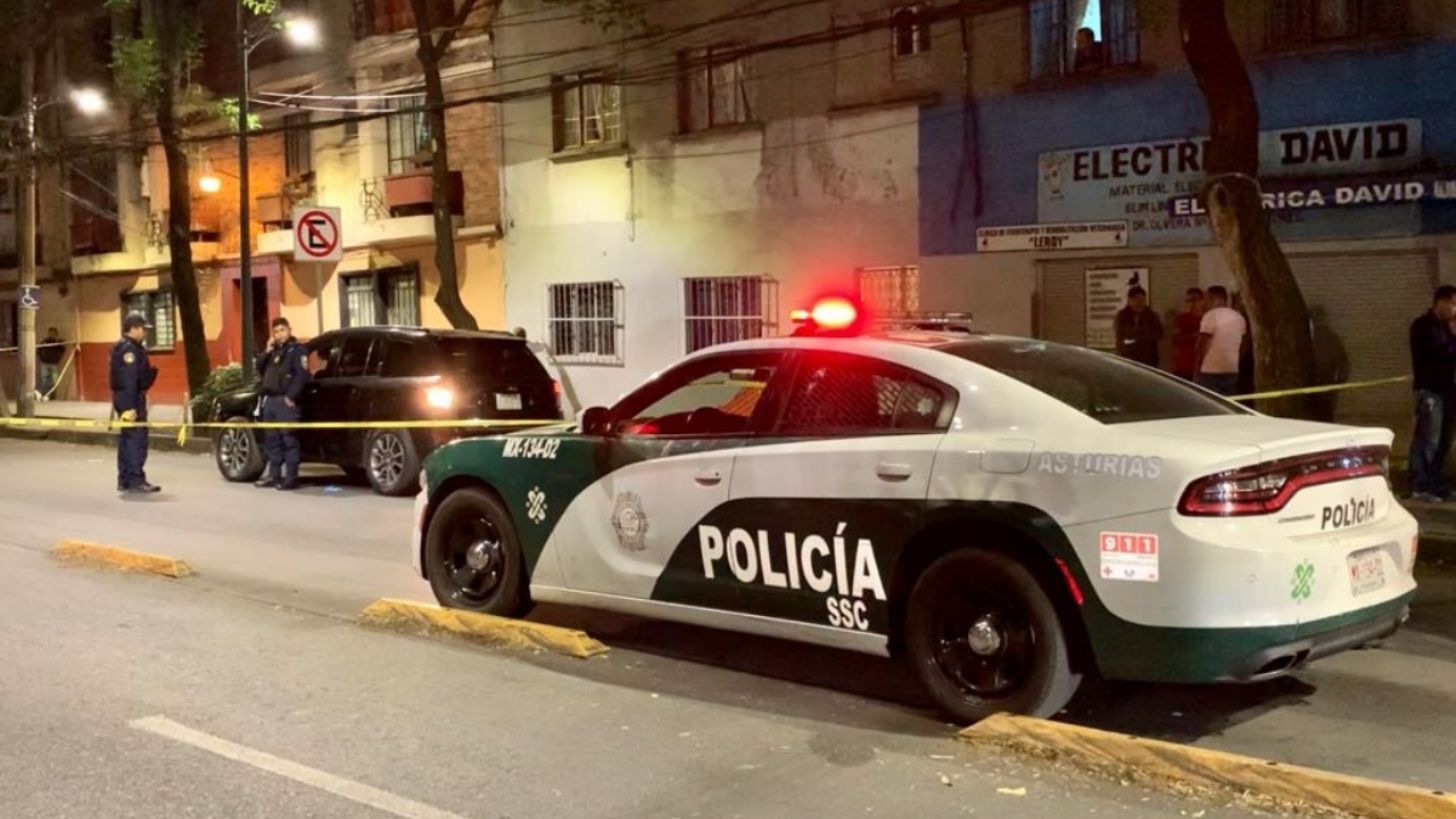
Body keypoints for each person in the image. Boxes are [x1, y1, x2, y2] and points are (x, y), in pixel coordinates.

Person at [1408, 285, 1456, 503]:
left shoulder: (1445, 328)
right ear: (1440, 302)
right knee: (1428, 439)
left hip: (1447, 391)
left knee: (1444, 440)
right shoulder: (1423, 326)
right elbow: (1440, 353)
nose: (1455, 309)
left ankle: (1436, 484)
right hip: (1430, 391)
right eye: (1453, 304)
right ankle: (1420, 485)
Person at [254, 317, 311, 491]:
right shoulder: (274, 352)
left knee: (289, 440)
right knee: (272, 441)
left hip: (285, 402)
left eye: (282, 330)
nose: (279, 334)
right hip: (271, 401)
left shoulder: (297, 351)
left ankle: (291, 478)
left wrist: (291, 396)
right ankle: (274, 476)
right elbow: (260, 368)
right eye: (276, 332)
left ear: (289, 330)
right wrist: (267, 351)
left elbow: (301, 375)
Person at [110, 314, 160, 493]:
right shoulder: (129, 350)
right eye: (143, 329)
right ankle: (136, 480)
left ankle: (125, 479)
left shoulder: (124, 347)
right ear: (133, 329)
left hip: (125, 398)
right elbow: (129, 379)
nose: (145, 333)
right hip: (130, 399)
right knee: (136, 440)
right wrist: (131, 407)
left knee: (127, 439)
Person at [1195, 285, 1247, 396]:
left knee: (1208, 399)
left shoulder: (1210, 316)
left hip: (1210, 369)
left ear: (1216, 299)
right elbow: (1244, 342)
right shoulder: (1238, 317)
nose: (1204, 303)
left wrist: (1198, 365)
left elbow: (1202, 343)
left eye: (1207, 299)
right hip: (1232, 369)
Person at [1113, 286, 1163, 367]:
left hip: (1148, 360)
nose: (1140, 302)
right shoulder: (1122, 316)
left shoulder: (1151, 315)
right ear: (1129, 300)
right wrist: (1141, 334)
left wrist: (1138, 334)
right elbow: (1122, 335)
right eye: (1136, 299)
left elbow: (1159, 333)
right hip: (1128, 359)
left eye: (1143, 299)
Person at [1171, 287, 1205, 381]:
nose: (1192, 304)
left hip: (1201, 366)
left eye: (1194, 300)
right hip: (1183, 365)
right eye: (1188, 301)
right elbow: (1175, 340)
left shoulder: (1208, 318)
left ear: (1202, 301)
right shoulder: (1181, 319)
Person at [37, 326, 65, 401]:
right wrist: (42, 358)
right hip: (45, 363)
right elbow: (39, 349)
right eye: (50, 333)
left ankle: (53, 396)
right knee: (44, 379)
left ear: (56, 333)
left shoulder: (58, 341)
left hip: (53, 364)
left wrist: (58, 359)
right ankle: (44, 395)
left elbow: (62, 349)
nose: (51, 334)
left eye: (52, 333)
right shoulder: (46, 341)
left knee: (54, 381)